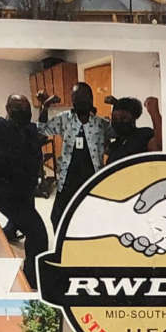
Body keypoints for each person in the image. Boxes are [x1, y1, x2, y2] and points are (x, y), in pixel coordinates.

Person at [0, 93, 51, 290]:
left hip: (24, 188)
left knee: (23, 215)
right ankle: (31, 280)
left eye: (27, 108)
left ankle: (11, 230)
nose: (25, 112)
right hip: (4, 191)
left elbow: (40, 130)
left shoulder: (29, 128)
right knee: (38, 234)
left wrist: (44, 108)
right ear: (8, 109)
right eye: (19, 108)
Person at [45, 82, 109, 228]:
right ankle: (62, 248)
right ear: (72, 100)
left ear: (91, 99)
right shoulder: (64, 119)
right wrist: (45, 106)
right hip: (68, 179)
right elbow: (42, 129)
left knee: (91, 218)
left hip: (92, 179)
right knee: (57, 218)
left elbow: (121, 131)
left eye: (84, 98)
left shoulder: (100, 123)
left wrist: (117, 105)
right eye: (76, 98)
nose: (80, 101)